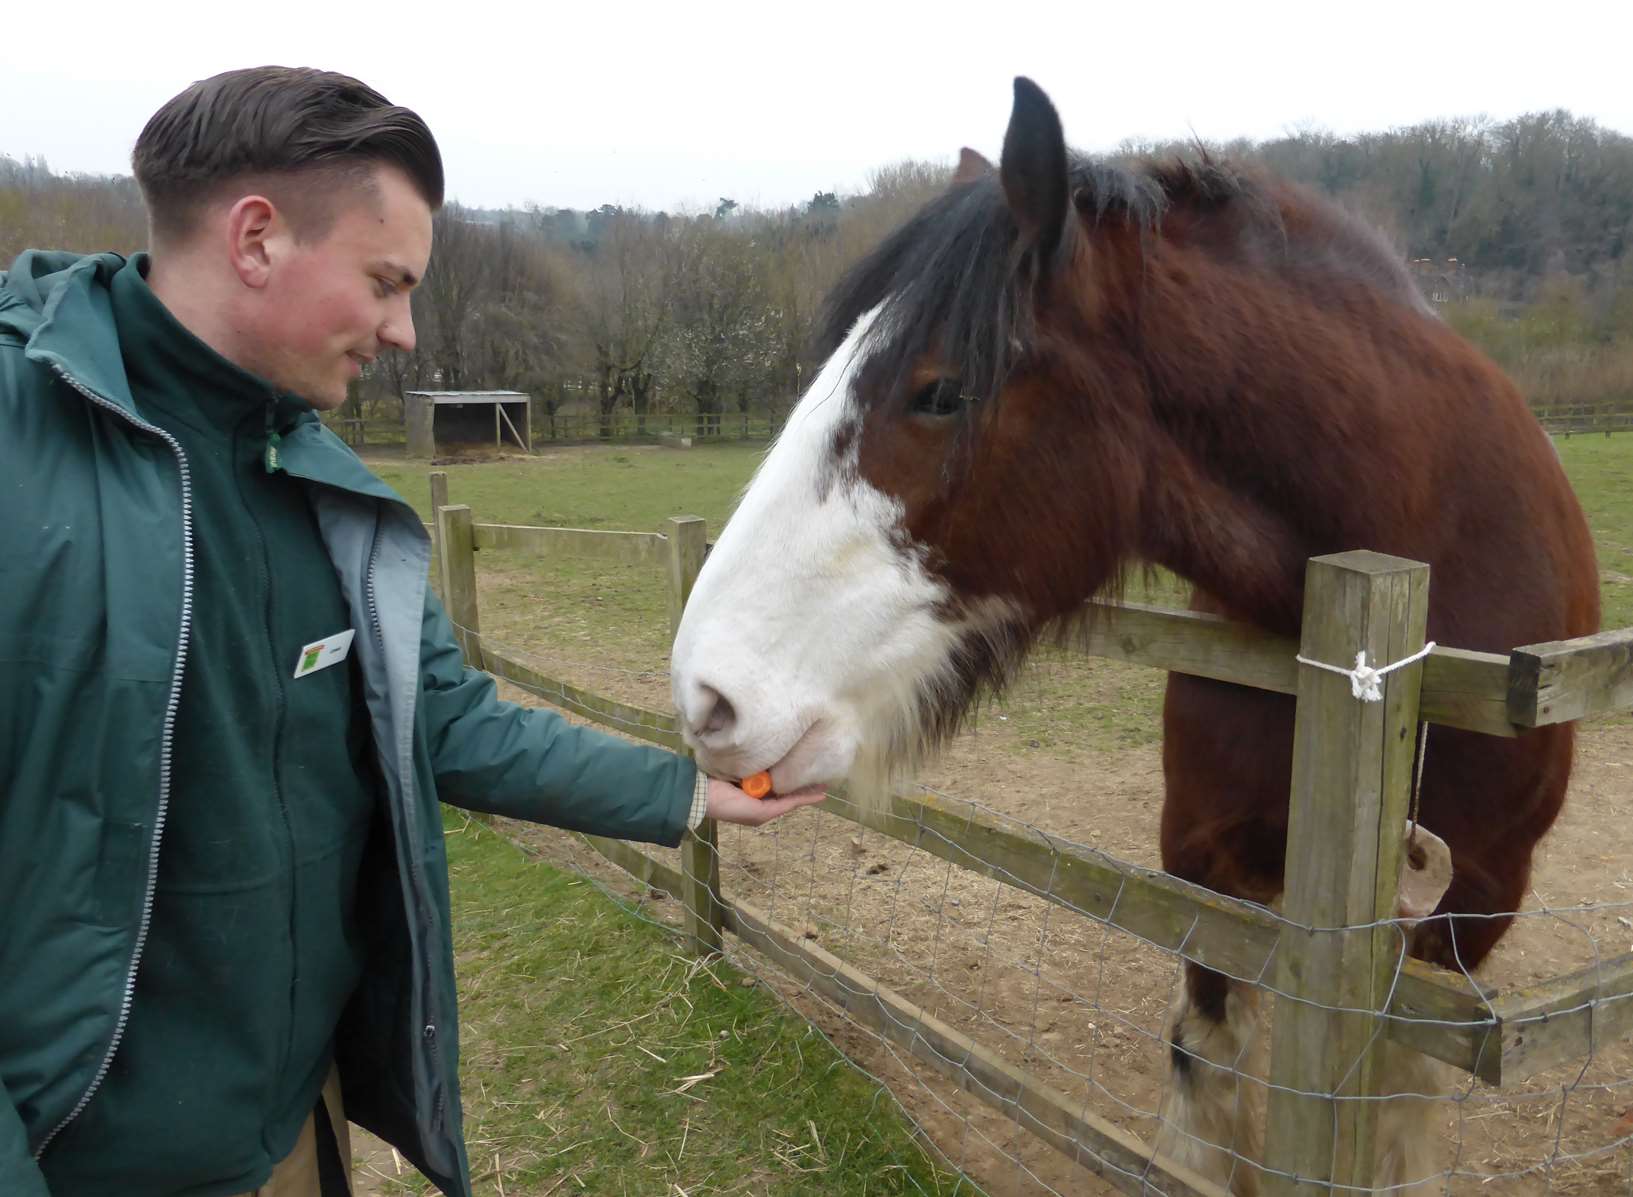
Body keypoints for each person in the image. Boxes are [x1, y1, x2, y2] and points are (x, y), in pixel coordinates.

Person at [0, 65, 823, 1197]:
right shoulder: (16, 450)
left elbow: (444, 718)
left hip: (294, 1131)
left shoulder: (325, 487)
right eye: (386, 283)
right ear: (255, 239)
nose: (403, 330)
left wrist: (682, 793)